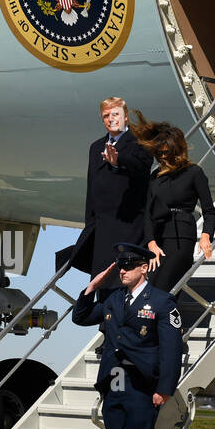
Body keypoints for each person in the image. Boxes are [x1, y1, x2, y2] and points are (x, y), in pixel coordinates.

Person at [72, 243, 182, 429]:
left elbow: (171, 350)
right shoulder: (112, 300)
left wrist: (165, 388)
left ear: (144, 267)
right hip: (115, 381)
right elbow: (81, 317)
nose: (122, 270)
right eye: (120, 265)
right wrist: (92, 286)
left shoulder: (161, 302)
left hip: (142, 384)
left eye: (129, 265)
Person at [63, 97, 154, 297]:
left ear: (126, 117)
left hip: (129, 227)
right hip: (102, 229)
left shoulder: (141, 144)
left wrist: (118, 161)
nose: (110, 119)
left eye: (115, 114)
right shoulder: (96, 147)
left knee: (124, 286)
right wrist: (90, 224)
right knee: (102, 287)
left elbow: (142, 167)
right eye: (106, 115)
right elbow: (92, 186)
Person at [134, 115, 215, 303]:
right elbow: (147, 213)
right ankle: (168, 328)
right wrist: (151, 243)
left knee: (163, 290)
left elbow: (209, 211)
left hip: (181, 237)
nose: (163, 156)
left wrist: (206, 236)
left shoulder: (194, 172)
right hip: (157, 238)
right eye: (159, 153)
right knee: (151, 291)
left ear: (177, 150)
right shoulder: (154, 177)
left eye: (166, 152)